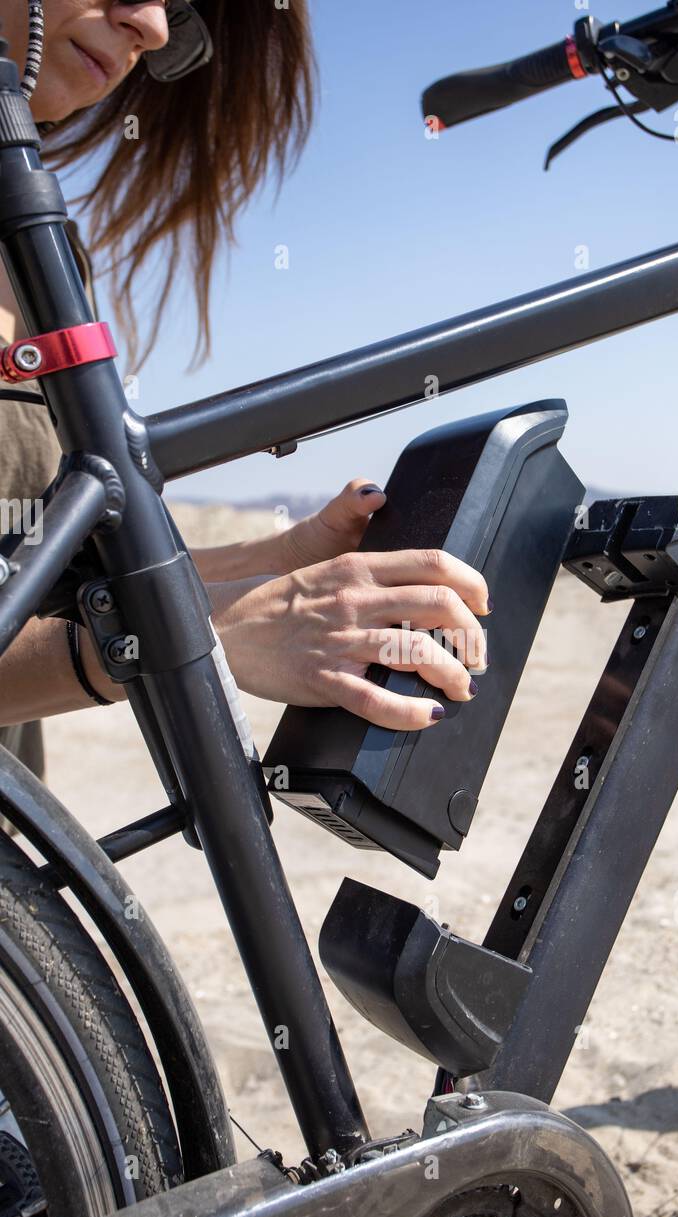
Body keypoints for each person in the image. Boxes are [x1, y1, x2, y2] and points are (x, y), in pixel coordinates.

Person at [0, 1, 488, 769]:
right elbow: (103, 623)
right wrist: (192, 632)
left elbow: (48, 593)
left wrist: (285, 559)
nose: (152, 28)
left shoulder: (44, 255)